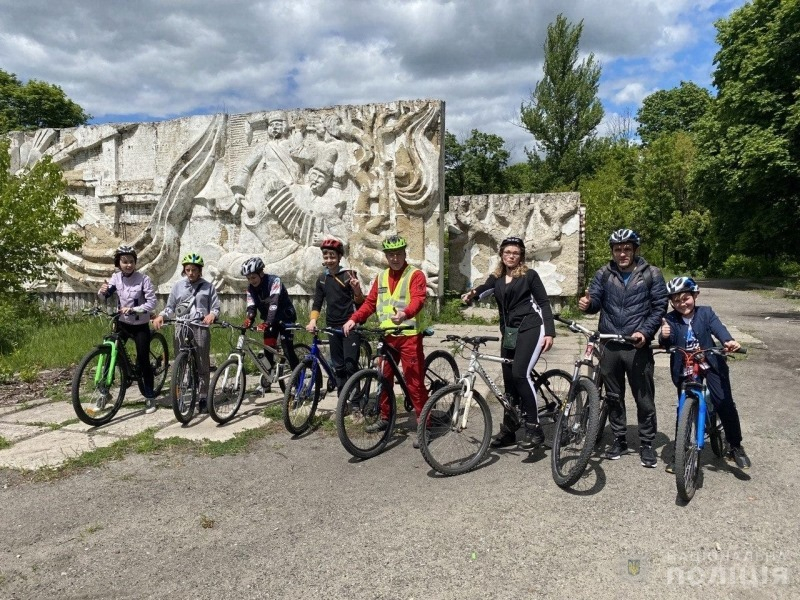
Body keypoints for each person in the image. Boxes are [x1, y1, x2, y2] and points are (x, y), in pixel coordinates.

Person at [578, 228, 668, 468]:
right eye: (618, 249)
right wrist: (587, 305)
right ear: (613, 251)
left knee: (644, 398)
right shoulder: (604, 274)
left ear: (635, 250)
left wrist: (645, 332)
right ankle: (619, 439)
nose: (622, 253)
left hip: (636, 345)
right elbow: (596, 302)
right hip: (610, 343)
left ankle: (647, 444)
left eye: (627, 249)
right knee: (614, 397)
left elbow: (660, 307)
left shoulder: (652, 274)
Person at [461, 237, 556, 448]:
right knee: (509, 384)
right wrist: (472, 294)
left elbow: (543, 303)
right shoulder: (497, 277)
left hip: (532, 328)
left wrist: (550, 332)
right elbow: (484, 289)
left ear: (521, 256)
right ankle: (509, 431)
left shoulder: (530, 275)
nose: (511, 256)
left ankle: (534, 427)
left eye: (515, 253)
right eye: (507, 252)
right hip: (510, 333)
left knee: (520, 374)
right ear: (501, 255)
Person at [342, 235, 428, 448]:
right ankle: (385, 417)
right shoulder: (381, 277)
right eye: (391, 254)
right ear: (386, 256)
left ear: (404, 254)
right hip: (388, 335)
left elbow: (419, 298)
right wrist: (354, 319)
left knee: (414, 382)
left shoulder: (415, 275)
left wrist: (405, 313)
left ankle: (424, 425)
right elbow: (370, 303)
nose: (395, 258)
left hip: (409, 335)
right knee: (383, 377)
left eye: (399, 254)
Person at [658, 277, 751, 471]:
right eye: (676, 300)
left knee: (724, 402)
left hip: (711, 363)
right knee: (683, 408)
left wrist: (728, 341)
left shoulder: (706, 313)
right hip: (686, 366)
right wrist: (664, 335)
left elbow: (719, 329)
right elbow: (668, 344)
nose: (682, 303)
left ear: (695, 295)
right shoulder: (671, 319)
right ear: (671, 302)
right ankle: (681, 453)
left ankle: (735, 446)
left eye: (686, 298)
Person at [152, 253, 220, 413]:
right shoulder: (178, 286)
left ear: (200, 271)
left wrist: (212, 315)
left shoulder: (208, 287)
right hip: (181, 326)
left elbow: (216, 307)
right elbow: (170, 307)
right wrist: (162, 315)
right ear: (184, 270)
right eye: (188, 270)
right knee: (180, 362)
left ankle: (203, 396)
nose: (191, 273)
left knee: (202, 363)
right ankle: (181, 394)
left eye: (194, 270)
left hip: (200, 327)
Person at [97, 245, 158, 413]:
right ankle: (104, 391)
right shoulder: (116, 278)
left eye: (131, 262)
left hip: (140, 325)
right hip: (122, 323)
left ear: (135, 263)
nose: (128, 265)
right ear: (119, 263)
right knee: (111, 355)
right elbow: (106, 294)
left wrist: (135, 309)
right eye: (124, 262)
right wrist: (101, 292)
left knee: (143, 360)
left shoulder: (143, 279)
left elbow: (152, 302)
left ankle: (150, 396)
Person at [306, 238, 365, 393]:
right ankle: (342, 402)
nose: (329, 260)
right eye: (326, 257)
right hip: (332, 326)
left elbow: (359, 303)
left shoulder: (349, 275)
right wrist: (313, 321)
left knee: (350, 365)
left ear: (339, 257)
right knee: (338, 366)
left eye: (333, 256)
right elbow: (317, 303)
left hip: (349, 325)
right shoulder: (322, 279)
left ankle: (356, 404)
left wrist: (357, 290)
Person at [241, 257, 300, 383]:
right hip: (270, 321)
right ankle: (268, 378)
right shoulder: (250, 289)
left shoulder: (274, 280)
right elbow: (251, 307)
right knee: (268, 349)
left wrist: (266, 323)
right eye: (248, 278)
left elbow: (274, 303)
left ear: (261, 273)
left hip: (285, 318)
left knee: (287, 349)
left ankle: (298, 379)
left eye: (253, 277)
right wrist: (249, 319)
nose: (251, 281)